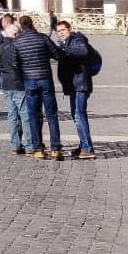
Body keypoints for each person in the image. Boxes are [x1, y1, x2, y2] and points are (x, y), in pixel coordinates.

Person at [15, 15, 63, 160]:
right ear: (32, 24)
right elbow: (58, 55)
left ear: (21, 26)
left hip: (29, 81)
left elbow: (14, 63)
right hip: (45, 79)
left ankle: (38, 149)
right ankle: (55, 148)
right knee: (52, 115)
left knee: (34, 116)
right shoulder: (43, 38)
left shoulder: (17, 42)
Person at [56, 20, 96, 159]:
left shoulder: (77, 39)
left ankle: (87, 148)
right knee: (76, 116)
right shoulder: (66, 43)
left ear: (69, 29)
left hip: (81, 85)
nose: (61, 33)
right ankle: (83, 144)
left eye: (63, 30)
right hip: (74, 85)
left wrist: (64, 49)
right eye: (59, 31)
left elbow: (83, 51)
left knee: (79, 116)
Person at [0, 22, 34, 155]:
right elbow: (22, 65)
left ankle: (15, 145)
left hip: (6, 84)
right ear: (16, 34)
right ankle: (29, 145)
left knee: (12, 115)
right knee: (25, 115)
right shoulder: (18, 47)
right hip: (18, 84)